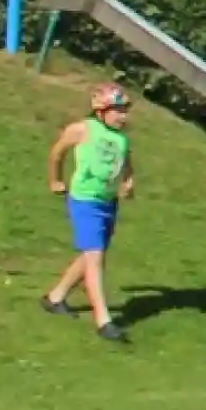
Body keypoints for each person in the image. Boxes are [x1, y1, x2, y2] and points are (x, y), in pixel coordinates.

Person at [45, 84, 136, 342]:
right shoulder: (83, 129)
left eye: (125, 111)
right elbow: (56, 153)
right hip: (85, 201)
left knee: (90, 254)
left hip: (108, 202)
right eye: (118, 111)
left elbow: (126, 161)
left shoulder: (122, 138)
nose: (123, 117)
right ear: (101, 110)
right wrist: (55, 180)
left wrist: (129, 181)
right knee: (95, 258)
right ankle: (103, 320)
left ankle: (55, 297)